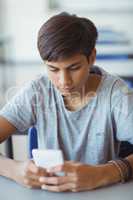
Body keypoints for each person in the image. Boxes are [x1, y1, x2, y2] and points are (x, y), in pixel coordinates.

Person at [0, 12, 133, 192]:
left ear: (92, 57)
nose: (64, 81)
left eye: (74, 68)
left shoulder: (116, 95)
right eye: (53, 69)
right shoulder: (37, 91)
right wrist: (13, 169)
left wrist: (103, 173)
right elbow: (13, 169)